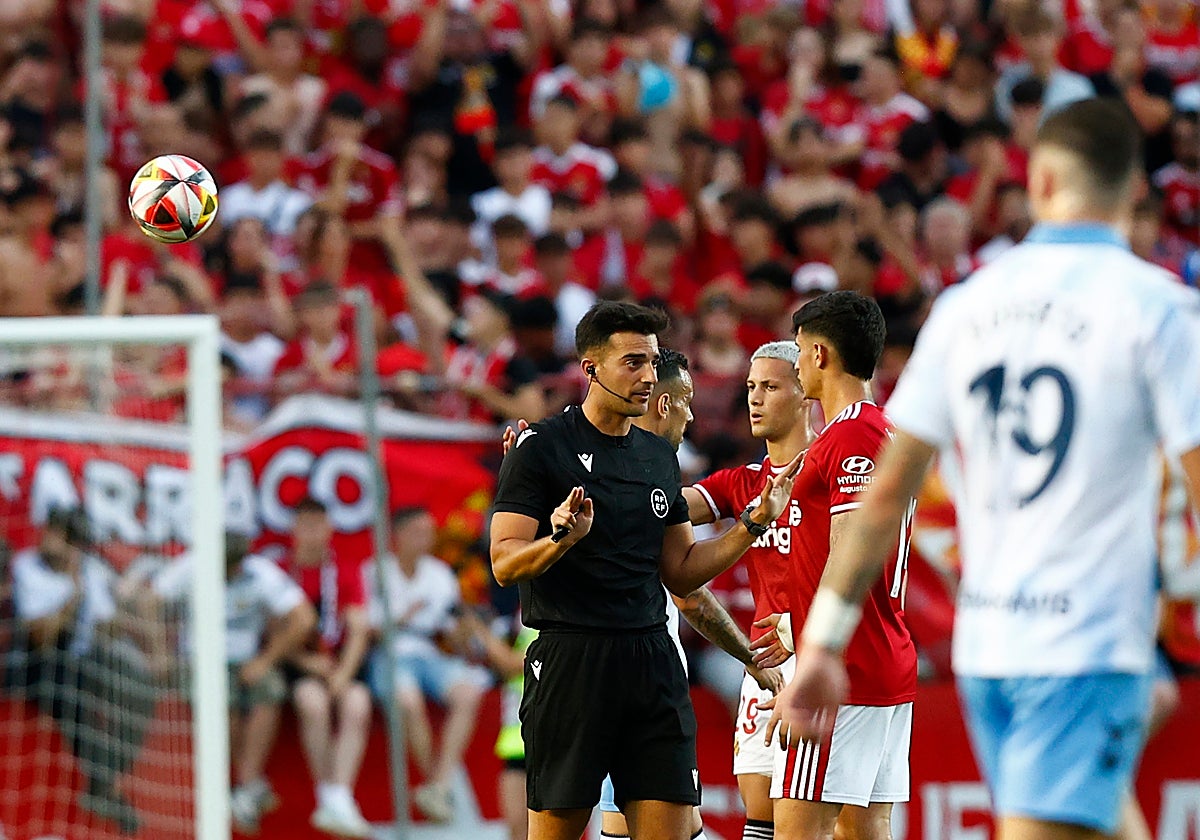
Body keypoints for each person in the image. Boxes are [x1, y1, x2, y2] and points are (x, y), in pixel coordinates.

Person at [777, 98, 1200, 840]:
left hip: (991, 650)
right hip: (1085, 646)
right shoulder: (1158, 310)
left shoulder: (966, 309)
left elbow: (884, 498)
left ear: (1036, 182)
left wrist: (821, 644)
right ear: (1135, 191)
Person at [489, 301, 800, 840]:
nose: (647, 377)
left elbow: (680, 573)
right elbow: (503, 563)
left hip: (651, 661)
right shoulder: (541, 449)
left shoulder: (657, 456)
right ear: (590, 369)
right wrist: (561, 538)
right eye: (632, 363)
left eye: (652, 363)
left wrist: (751, 524)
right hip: (572, 659)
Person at [739, 293, 915, 840]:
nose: (793, 363)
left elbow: (852, 551)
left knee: (798, 831)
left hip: (847, 669)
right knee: (867, 829)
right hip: (882, 657)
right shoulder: (884, 427)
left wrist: (810, 649)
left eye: (796, 352)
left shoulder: (850, 436)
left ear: (818, 354)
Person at [687, 342, 816, 840]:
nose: (755, 400)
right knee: (759, 811)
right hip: (762, 664)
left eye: (770, 387)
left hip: (821, 657)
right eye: (750, 388)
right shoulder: (744, 484)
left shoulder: (834, 473)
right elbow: (662, 508)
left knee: (823, 822)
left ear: (806, 391)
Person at [151, 532, 316, 834]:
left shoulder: (259, 572)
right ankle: (235, 788)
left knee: (270, 688)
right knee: (223, 706)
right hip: (198, 660)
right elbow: (150, 600)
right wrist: (160, 653)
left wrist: (265, 660)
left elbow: (304, 618)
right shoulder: (190, 567)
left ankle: (246, 785)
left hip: (245, 659)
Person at [13, 508, 157, 835]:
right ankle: (104, 789)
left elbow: (106, 626)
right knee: (66, 687)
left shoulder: (89, 570)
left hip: (85, 659)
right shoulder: (27, 568)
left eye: (60, 535)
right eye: (50, 531)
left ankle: (106, 782)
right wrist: (75, 595)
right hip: (39, 664)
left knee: (139, 681)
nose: (49, 539)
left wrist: (135, 632)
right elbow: (41, 637)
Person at [367, 507, 491, 824]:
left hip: (429, 653)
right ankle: (433, 781)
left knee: (468, 693)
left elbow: (448, 631)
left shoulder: (440, 574)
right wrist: (402, 618)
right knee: (407, 701)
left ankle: (438, 785)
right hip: (390, 652)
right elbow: (365, 629)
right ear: (400, 535)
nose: (428, 538)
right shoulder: (375, 571)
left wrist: (465, 631)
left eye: (429, 531)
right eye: (420, 531)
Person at [283, 498, 373, 838]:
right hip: (301, 664)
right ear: (293, 530)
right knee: (312, 703)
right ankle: (328, 793)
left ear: (329, 529)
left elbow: (359, 628)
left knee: (357, 704)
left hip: (338, 664)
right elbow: (276, 638)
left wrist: (343, 674)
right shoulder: (282, 571)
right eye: (304, 526)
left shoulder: (345, 569)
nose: (311, 534)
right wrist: (310, 664)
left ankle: (339, 794)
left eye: (318, 526)